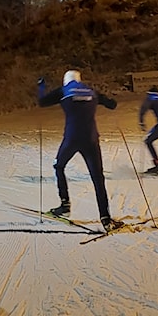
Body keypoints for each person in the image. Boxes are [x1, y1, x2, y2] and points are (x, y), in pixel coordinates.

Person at [37, 70, 123, 232]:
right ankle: (105, 218)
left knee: (59, 166)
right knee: (98, 178)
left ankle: (65, 205)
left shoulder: (63, 91)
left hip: (72, 139)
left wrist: (41, 86)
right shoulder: (91, 91)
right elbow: (112, 104)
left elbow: (42, 102)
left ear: (66, 80)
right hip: (91, 139)